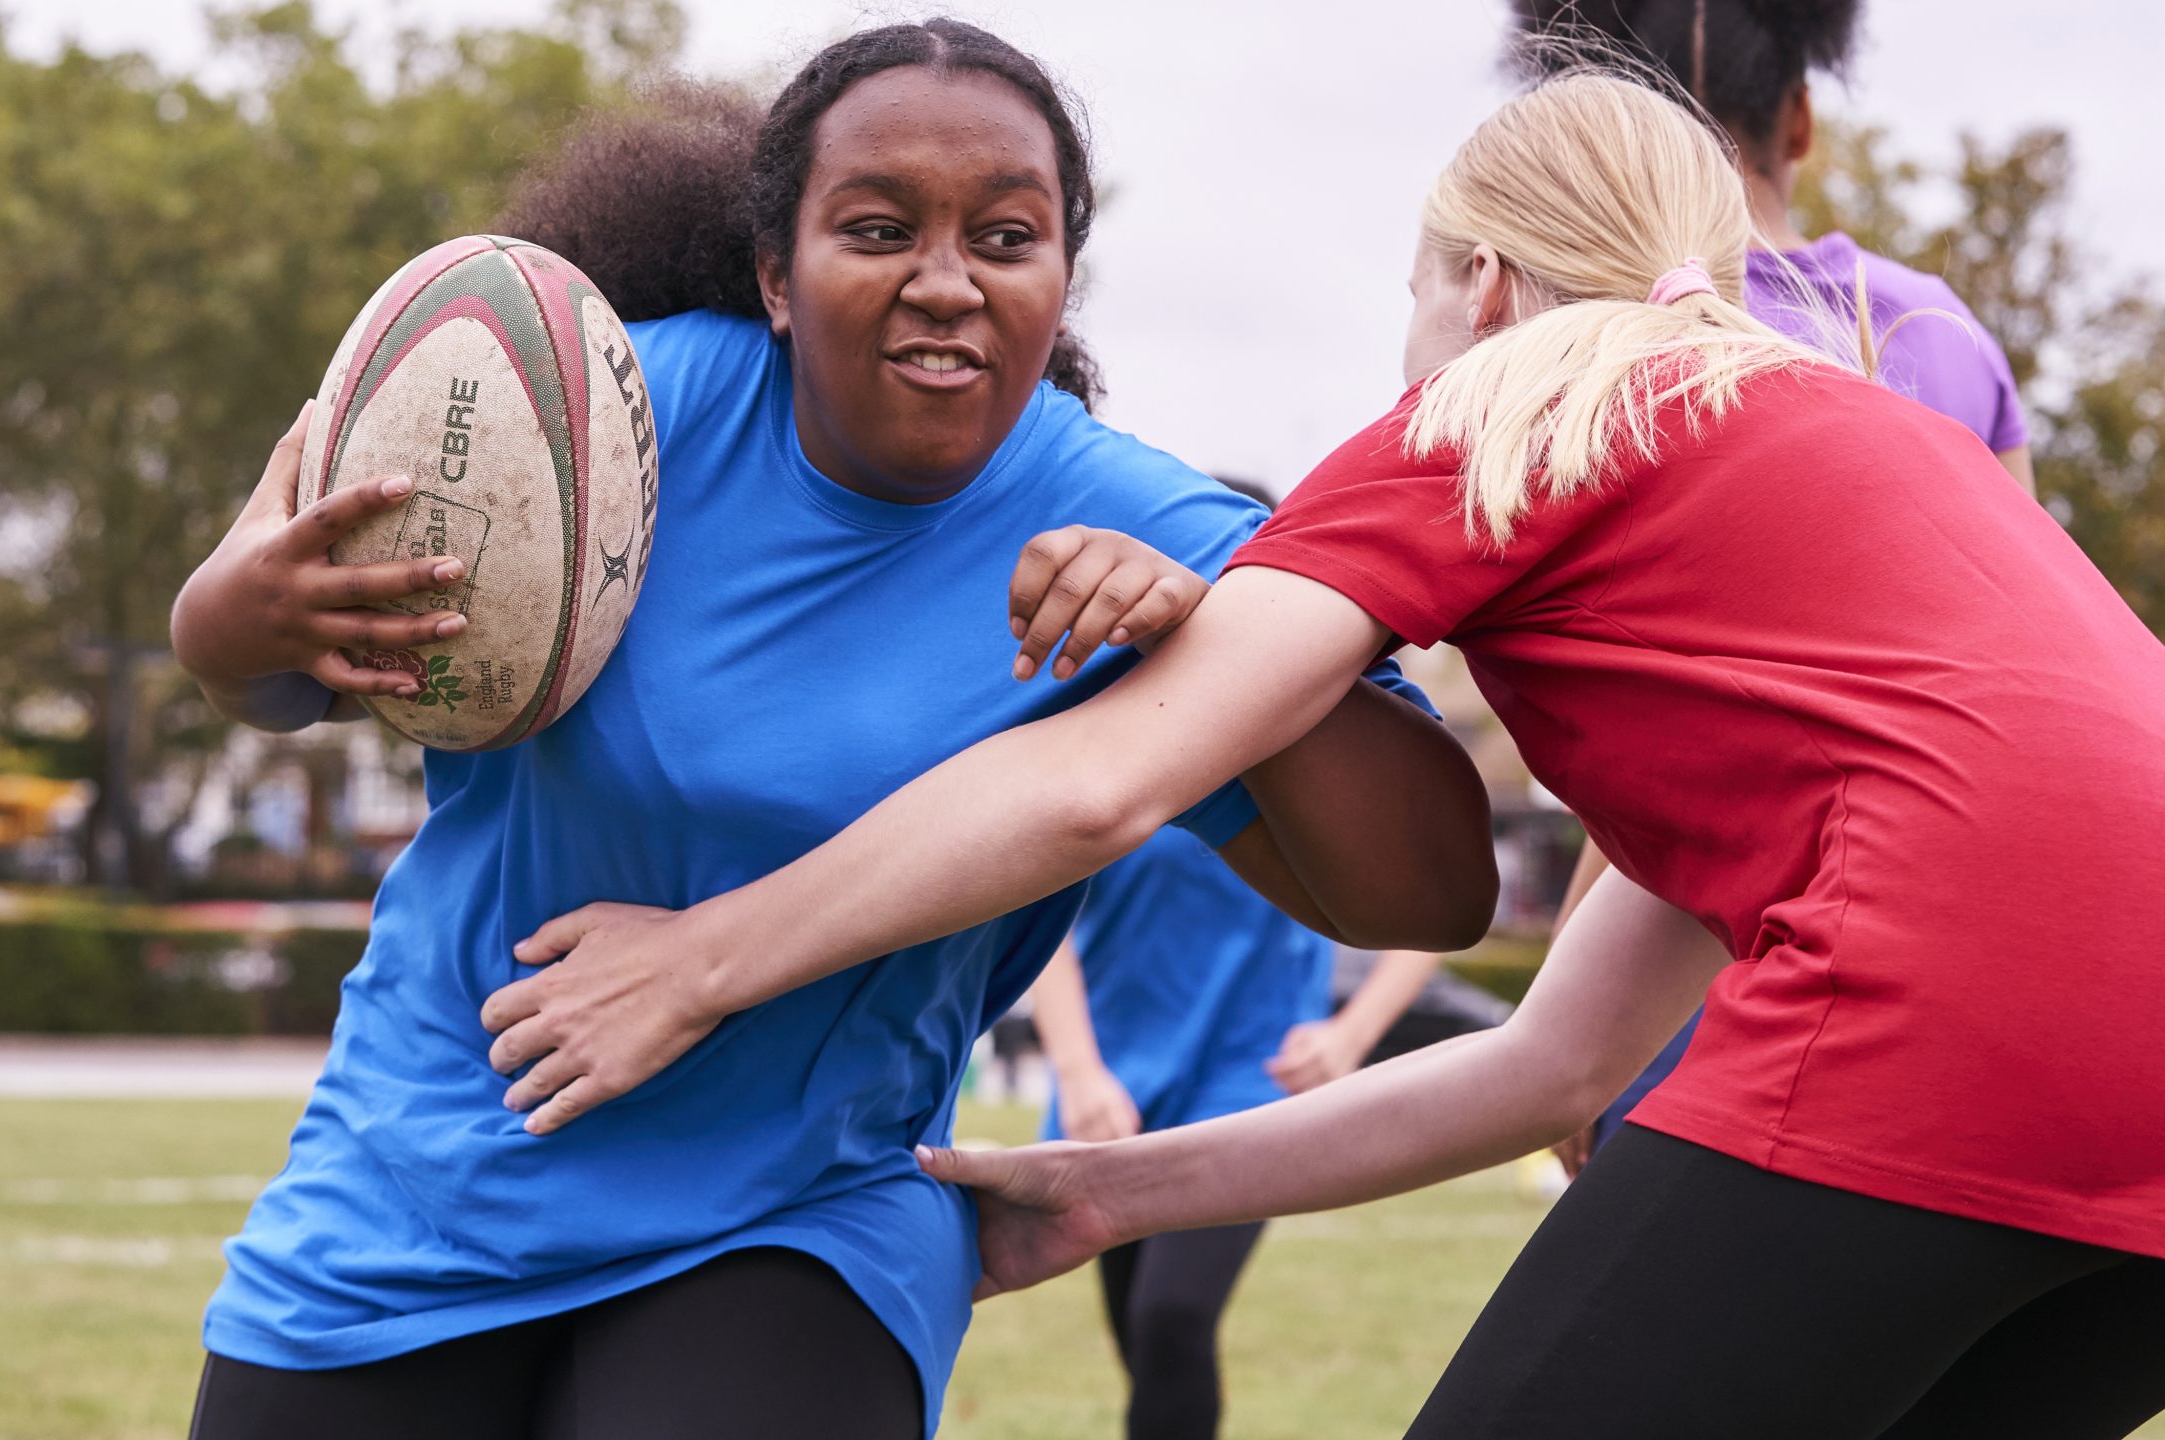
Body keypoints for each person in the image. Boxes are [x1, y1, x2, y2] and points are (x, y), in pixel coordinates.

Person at [482, 71, 2165, 1438]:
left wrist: (700, 962)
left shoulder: (1498, 409)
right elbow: (1555, 1071)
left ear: (1481, 287)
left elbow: (1102, 780)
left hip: (1946, 1013)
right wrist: (1105, 1193)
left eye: (1415, 298)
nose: (1410, 348)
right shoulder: (1851, 482)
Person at [168, 24, 1495, 1439]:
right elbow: (279, 682)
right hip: (424, 1172)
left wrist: (1209, 645)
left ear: (1061, 275)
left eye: (1006, 235)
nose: (946, 282)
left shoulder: (1144, 528)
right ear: (773, 276)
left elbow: (1425, 893)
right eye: (877, 230)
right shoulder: (591, 412)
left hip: (798, 1220)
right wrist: (228, 618)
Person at [1508, 0, 2041, 1176]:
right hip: (1951, 934)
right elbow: (2035, 641)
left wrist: (1563, 1024)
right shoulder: (1944, 332)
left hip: (1698, 935)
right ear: (1800, 118)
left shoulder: (1598, 341)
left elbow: (1647, 734)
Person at [1033, 818, 1443, 1440]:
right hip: (1116, 1087)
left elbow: (1434, 905)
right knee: (1144, 1338)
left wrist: (1351, 1034)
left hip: (1252, 1080)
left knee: (1172, 1314)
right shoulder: (1093, 739)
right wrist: (1078, 1070)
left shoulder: (1304, 744)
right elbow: (1034, 916)